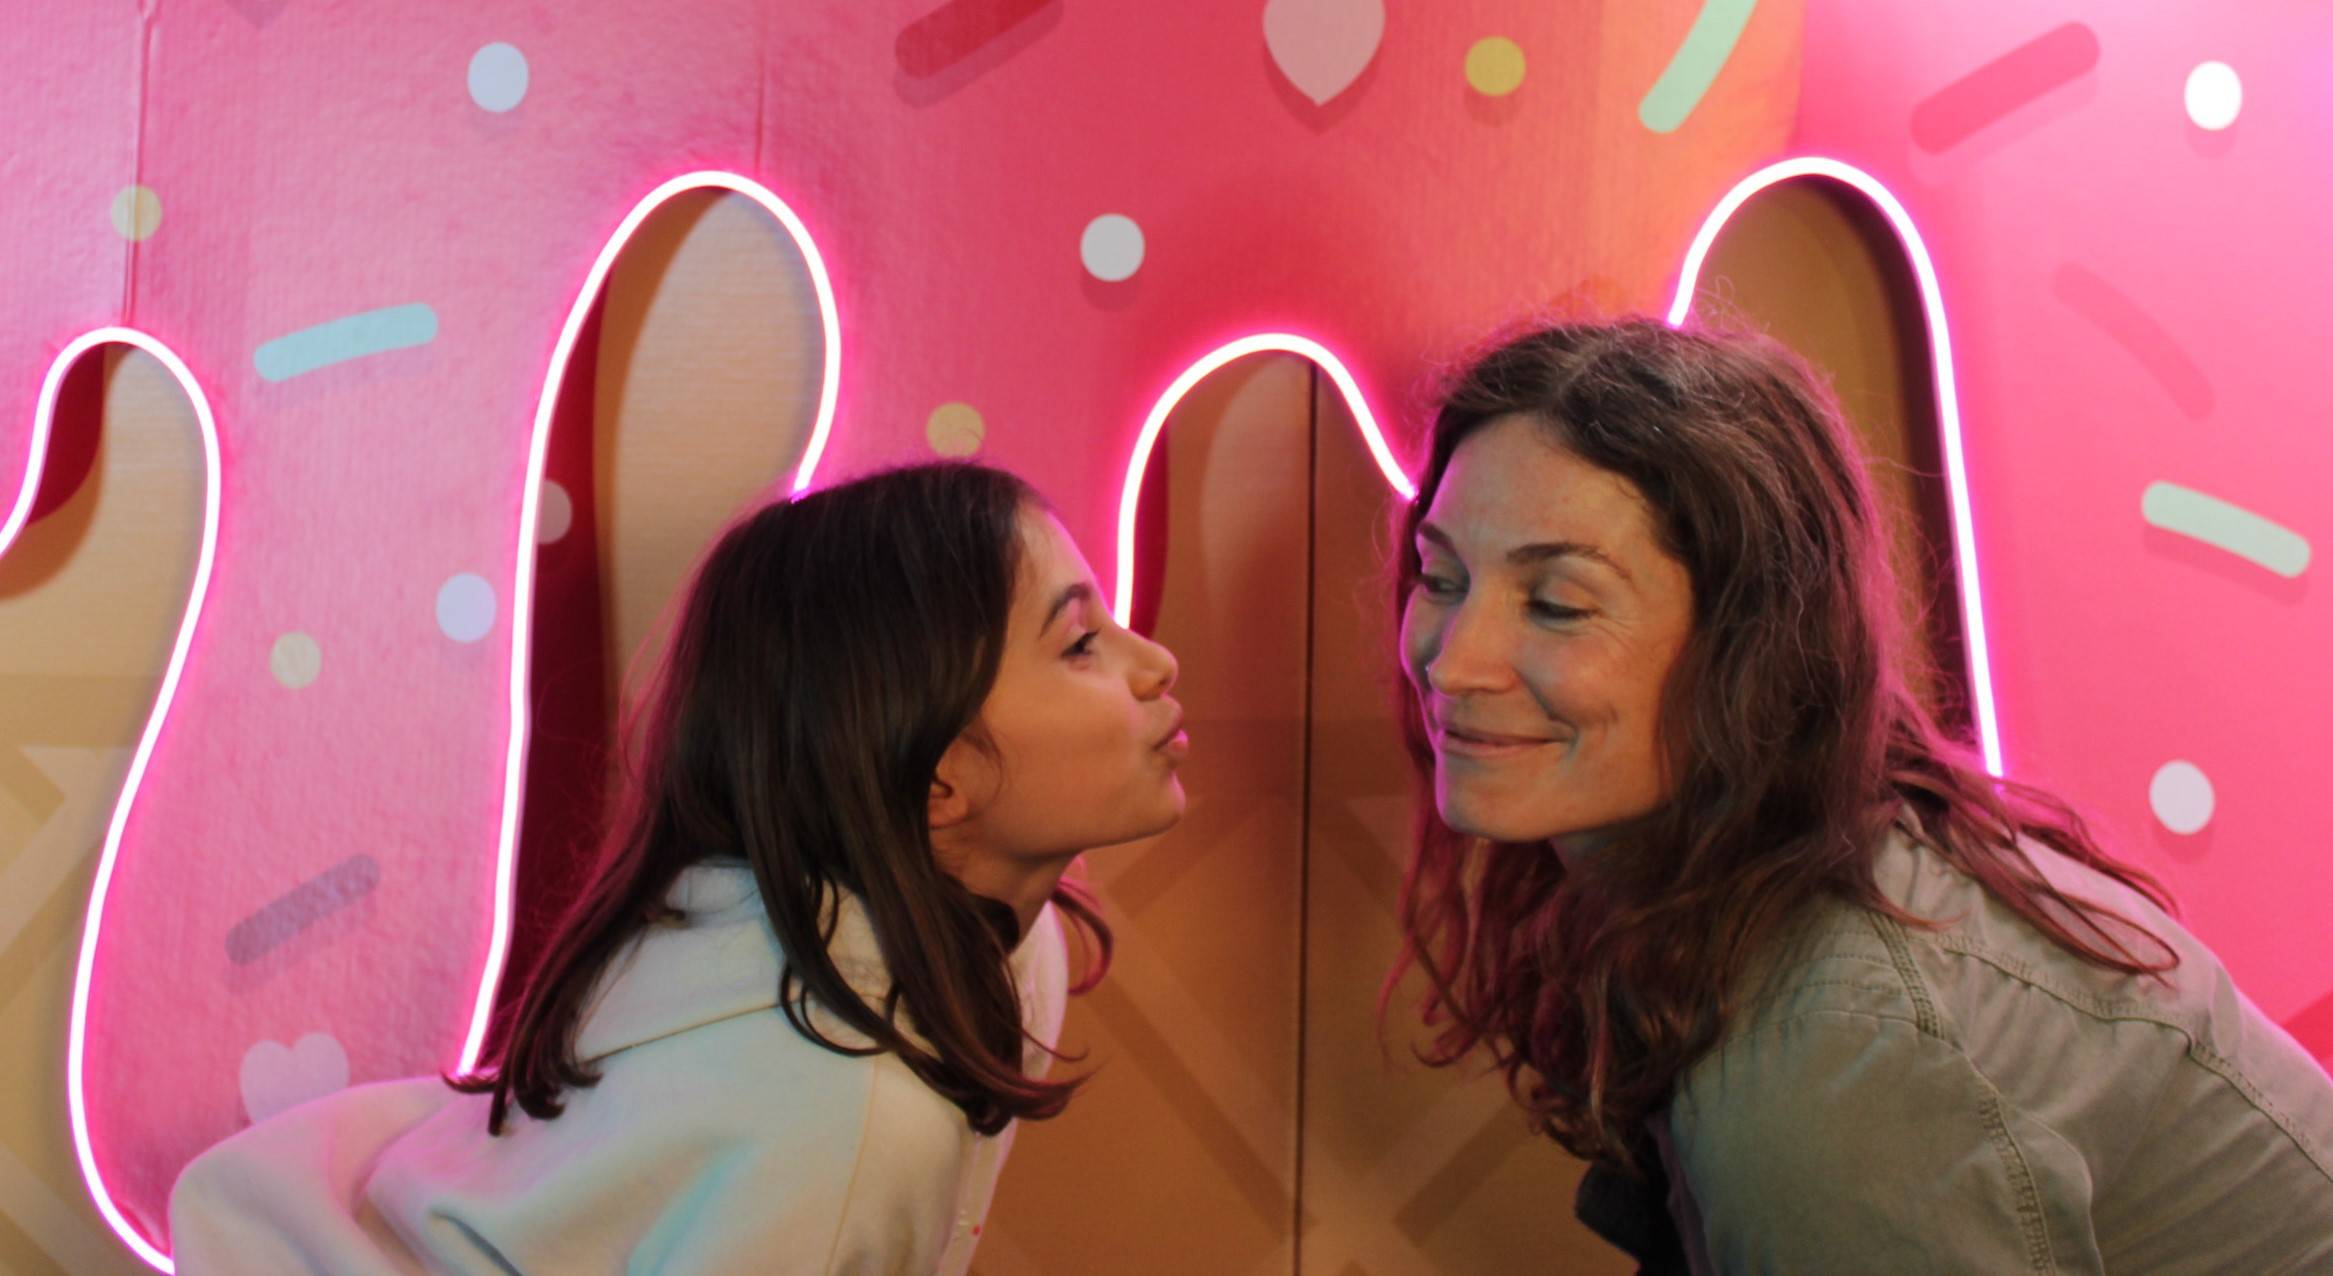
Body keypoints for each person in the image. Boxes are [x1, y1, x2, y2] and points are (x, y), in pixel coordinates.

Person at [1386, 318, 2333, 1272]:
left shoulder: (1833, 1052)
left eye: (1556, 605)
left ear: (1751, 649)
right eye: (1442, 577)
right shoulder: (1779, 875)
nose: (1453, 663)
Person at [169, 461, 1188, 1274]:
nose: (1156, 664)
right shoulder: (847, 1115)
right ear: (940, 777)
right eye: (1080, 644)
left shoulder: (1008, 945)